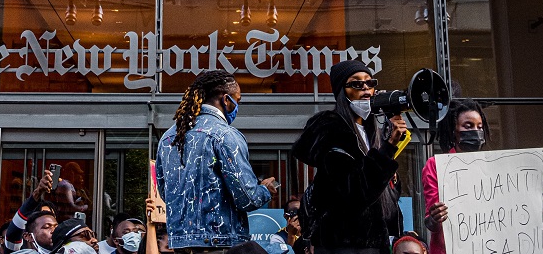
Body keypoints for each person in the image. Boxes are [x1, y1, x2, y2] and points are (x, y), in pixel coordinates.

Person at [292, 59, 408, 254]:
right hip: (342, 245)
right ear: (341, 91)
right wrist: (388, 149)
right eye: (356, 83)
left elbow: (385, 195)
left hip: (372, 245)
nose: (365, 88)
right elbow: (356, 193)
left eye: (370, 83)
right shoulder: (331, 130)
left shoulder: (373, 133)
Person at [156, 70, 277, 252]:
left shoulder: (168, 138)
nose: (238, 105)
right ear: (226, 100)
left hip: (180, 245)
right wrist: (265, 190)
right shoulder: (225, 135)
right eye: (238, 100)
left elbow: (166, 193)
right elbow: (246, 198)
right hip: (221, 244)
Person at [421, 99, 543, 254]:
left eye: (480, 127)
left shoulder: (497, 166)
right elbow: (430, 223)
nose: (475, 131)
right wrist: (436, 217)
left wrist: (540, 207)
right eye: (468, 126)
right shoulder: (436, 166)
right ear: (453, 130)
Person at [4, 171, 55, 254]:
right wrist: (37, 193)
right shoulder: (18, 250)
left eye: (55, 225)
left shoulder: (65, 250)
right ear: (28, 235)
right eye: (46, 226)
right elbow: (14, 231)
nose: (53, 230)